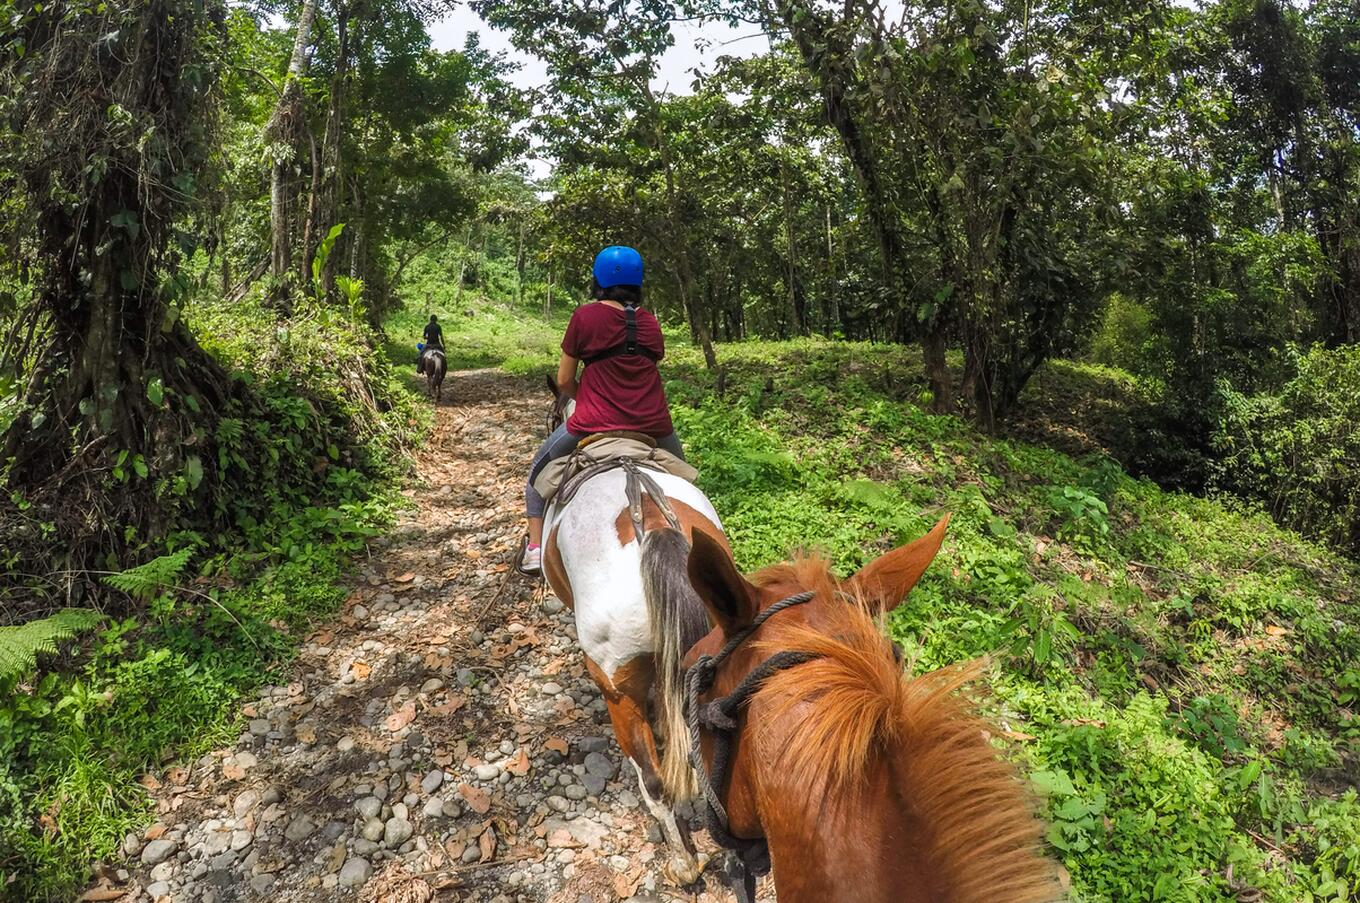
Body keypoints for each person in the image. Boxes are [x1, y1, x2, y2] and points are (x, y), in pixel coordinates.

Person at [519, 246, 684, 573]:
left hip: (593, 423)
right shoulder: (650, 323)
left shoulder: (585, 316)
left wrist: (587, 397)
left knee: (536, 475)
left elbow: (564, 379)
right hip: (653, 425)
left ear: (598, 280)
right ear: (638, 283)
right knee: (687, 478)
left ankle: (536, 548)